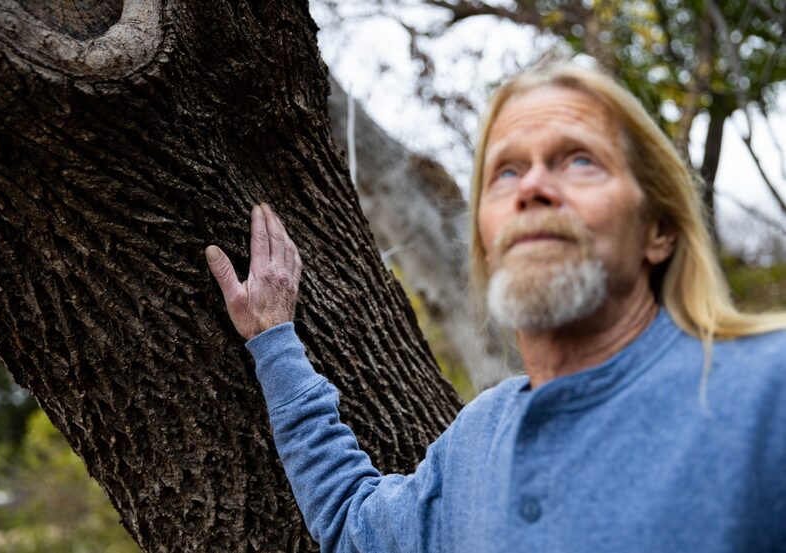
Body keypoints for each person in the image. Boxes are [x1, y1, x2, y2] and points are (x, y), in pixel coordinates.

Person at [204, 63, 786, 553]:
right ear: (487, 237)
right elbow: (352, 527)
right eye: (506, 171)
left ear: (658, 229)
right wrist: (274, 341)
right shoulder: (476, 442)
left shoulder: (767, 388)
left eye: (580, 160)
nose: (532, 187)